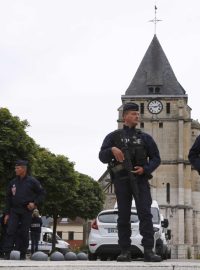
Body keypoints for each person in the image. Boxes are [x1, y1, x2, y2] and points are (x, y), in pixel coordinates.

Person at [99, 103, 162, 262]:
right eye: (134, 114)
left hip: (140, 180)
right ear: (125, 116)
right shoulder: (113, 137)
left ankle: (148, 250)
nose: (137, 116)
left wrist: (145, 169)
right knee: (123, 216)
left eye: (137, 114)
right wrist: (112, 150)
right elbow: (102, 157)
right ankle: (125, 251)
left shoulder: (145, 138)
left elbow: (156, 158)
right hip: (122, 181)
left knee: (145, 214)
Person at [3, 160, 45, 260]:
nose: (15, 170)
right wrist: (7, 213)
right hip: (14, 210)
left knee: (24, 232)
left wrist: (34, 203)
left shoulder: (32, 181)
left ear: (24, 169)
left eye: (17, 168)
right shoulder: (13, 182)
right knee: (10, 230)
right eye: (15, 168)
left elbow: (42, 193)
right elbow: (8, 198)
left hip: (26, 210)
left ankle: (22, 254)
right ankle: (7, 253)